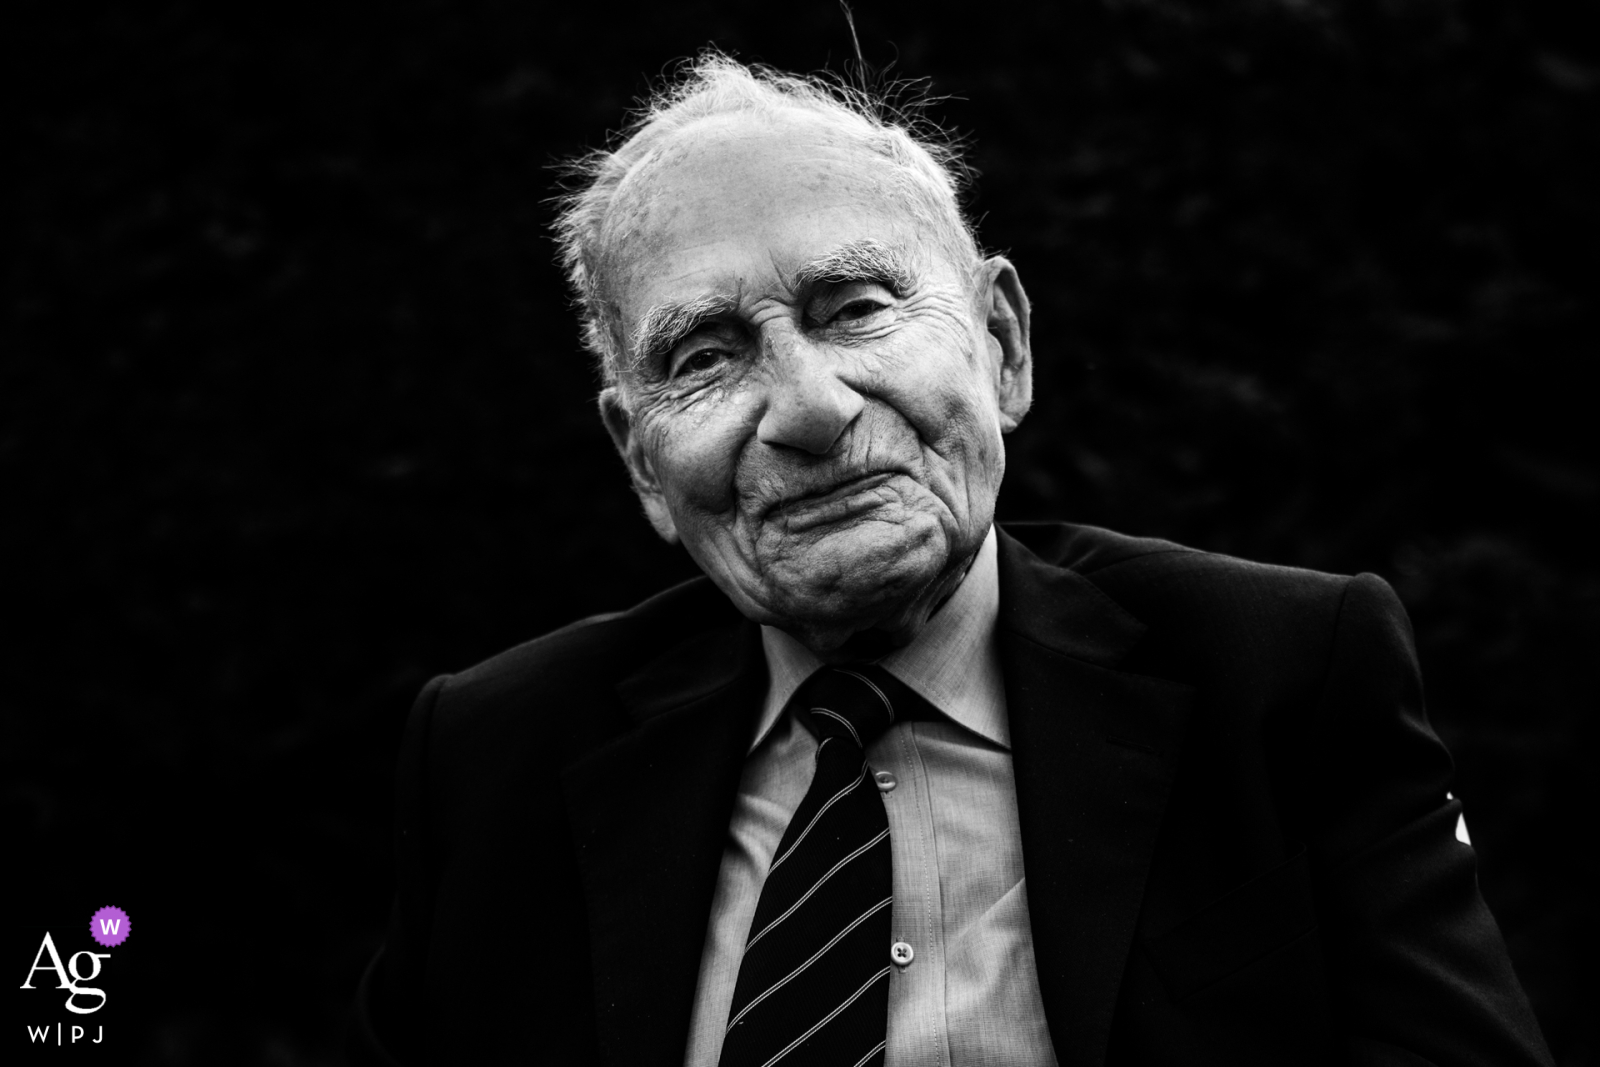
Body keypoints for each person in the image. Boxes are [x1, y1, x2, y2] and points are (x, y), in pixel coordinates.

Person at [350, 54, 1552, 1067]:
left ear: (1001, 344)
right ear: (640, 459)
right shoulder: (496, 755)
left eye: (854, 308)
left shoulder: (1280, 677)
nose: (809, 408)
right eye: (704, 356)